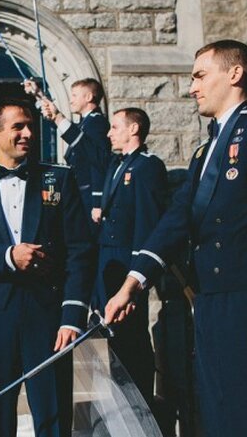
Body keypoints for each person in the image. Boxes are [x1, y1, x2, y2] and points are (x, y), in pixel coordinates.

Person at [105, 40, 247, 437]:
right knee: (218, 415)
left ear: (234, 74)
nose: (192, 88)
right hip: (211, 306)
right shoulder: (206, 151)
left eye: (200, 75)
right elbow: (176, 219)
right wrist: (132, 284)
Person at [0, 98, 94, 436]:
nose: (28, 133)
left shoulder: (59, 180)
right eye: (18, 126)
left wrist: (71, 317)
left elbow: (81, 251)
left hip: (47, 316)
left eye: (30, 125)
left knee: (53, 413)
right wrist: (8, 257)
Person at [95, 107, 168, 405]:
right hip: (107, 259)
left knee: (131, 336)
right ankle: (118, 405)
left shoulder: (147, 166)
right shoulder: (118, 164)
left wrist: (137, 276)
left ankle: (138, 406)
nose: (109, 132)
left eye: (115, 127)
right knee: (110, 335)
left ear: (133, 129)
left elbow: (147, 222)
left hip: (127, 262)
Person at [25, 78, 111, 234]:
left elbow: (97, 162)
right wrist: (38, 95)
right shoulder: (86, 122)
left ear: (89, 97)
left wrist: (98, 202)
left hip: (88, 197)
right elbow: (67, 129)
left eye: (74, 95)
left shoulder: (96, 122)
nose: (70, 100)